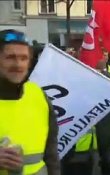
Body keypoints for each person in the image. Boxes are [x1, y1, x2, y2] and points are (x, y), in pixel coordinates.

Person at [0, 29, 60, 174]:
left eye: (23, 58)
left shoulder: (38, 95)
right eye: (10, 57)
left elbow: (51, 156)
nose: (18, 64)